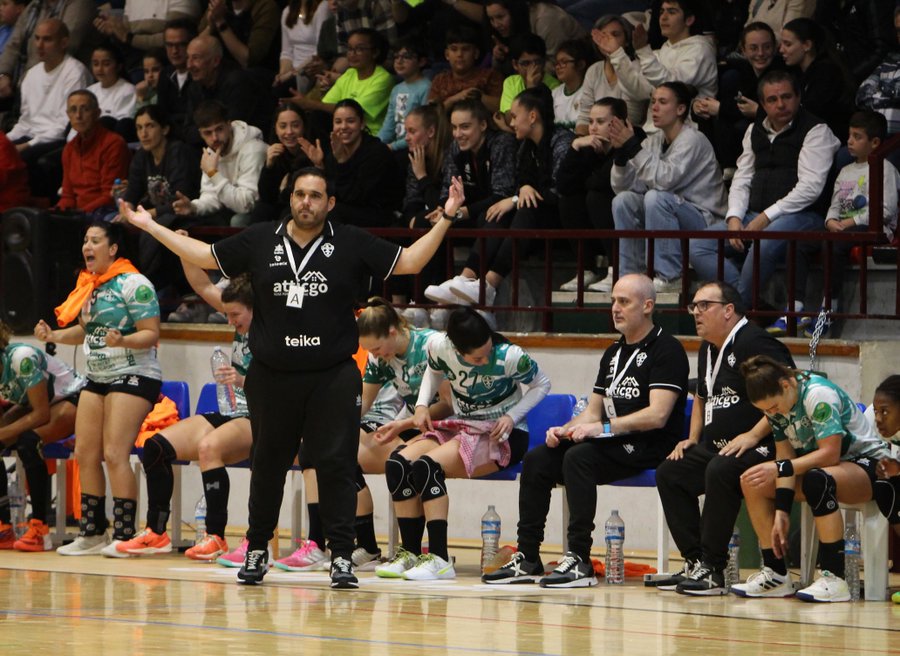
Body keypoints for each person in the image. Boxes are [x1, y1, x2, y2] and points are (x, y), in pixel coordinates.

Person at [120, 165, 466, 589]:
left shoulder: (351, 241)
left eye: (315, 195)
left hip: (332, 376)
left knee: (336, 465)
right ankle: (258, 548)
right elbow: (205, 256)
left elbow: (410, 261)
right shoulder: (261, 237)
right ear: (291, 198)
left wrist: (447, 216)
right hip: (273, 375)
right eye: (300, 193)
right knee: (267, 465)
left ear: (330, 203)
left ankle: (341, 555)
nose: (306, 201)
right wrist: (151, 226)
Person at [484, 274, 688, 587]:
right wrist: (564, 430)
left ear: (648, 306)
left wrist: (600, 429)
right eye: (613, 302)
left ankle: (579, 558)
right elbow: (593, 411)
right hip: (613, 441)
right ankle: (527, 557)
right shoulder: (613, 353)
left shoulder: (667, 349)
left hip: (650, 445)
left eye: (624, 302)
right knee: (540, 458)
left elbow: (657, 416)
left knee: (580, 457)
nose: (615, 309)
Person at [381, 307, 550, 580]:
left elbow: (542, 384)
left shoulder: (511, 356)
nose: (484, 360)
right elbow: (434, 372)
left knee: (427, 466)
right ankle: (409, 553)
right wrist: (422, 404)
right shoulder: (438, 346)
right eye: (476, 357)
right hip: (464, 425)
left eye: (487, 351)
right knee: (398, 464)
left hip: (503, 433)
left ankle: (439, 558)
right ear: (457, 350)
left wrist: (512, 415)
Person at [289, 297, 452, 573]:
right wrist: (326, 422)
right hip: (410, 425)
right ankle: (363, 546)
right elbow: (361, 403)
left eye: (377, 348)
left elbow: (448, 405)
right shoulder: (380, 358)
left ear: (392, 331)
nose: (375, 354)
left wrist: (402, 424)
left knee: (399, 464)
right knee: (326, 447)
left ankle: (416, 552)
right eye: (369, 351)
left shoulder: (430, 345)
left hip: (442, 424)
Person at [653, 281, 794, 596]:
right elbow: (702, 395)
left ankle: (713, 570)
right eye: (693, 306)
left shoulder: (754, 341)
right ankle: (696, 562)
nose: (696, 313)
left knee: (720, 469)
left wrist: (753, 434)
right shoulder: (708, 348)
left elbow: (786, 391)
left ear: (729, 310)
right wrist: (692, 437)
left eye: (704, 305)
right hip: (718, 446)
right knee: (671, 472)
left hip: (764, 446)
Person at [34, 221, 162, 558]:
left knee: (114, 453)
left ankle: (124, 534)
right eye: (85, 241)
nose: (87, 247)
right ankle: (92, 533)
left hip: (134, 373)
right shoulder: (88, 286)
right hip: (98, 376)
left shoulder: (135, 284)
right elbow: (86, 333)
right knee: (84, 453)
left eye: (95, 241)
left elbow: (151, 333)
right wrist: (54, 336)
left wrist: (124, 340)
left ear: (114, 248)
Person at [113, 267, 254, 560]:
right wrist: (178, 249)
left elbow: (282, 383)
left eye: (235, 315)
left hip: (260, 416)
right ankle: (156, 532)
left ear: (255, 308)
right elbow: (202, 285)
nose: (229, 321)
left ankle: (216, 536)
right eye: (227, 315)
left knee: (209, 448)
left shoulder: (275, 331)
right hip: (232, 411)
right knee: (155, 447)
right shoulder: (239, 322)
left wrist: (242, 381)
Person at [735, 355, 888, 602]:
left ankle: (834, 579)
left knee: (817, 480)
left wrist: (779, 468)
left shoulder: (817, 395)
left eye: (773, 407)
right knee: (752, 481)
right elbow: (786, 458)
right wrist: (782, 511)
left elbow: (830, 454)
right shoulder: (776, 407)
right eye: (765, 411)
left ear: (786, 385)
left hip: (868, 466)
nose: (772, 414)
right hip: (826, 469)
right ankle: (776, 574)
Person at [689, 69, 840, 310]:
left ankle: (738, 311)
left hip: (804, 215)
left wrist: (766, 217)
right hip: (754, 214)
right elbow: (743, 176)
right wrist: (735, 217)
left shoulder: (816, 130)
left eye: (787, 97)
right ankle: (748, 304)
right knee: (700, 244)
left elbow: (811, 188)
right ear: (762, 103)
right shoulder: (754, 130)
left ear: (798, 97)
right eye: (772, 99)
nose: (781, 104)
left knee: (764, 240)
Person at [428, 86, 572, 307]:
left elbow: (559, 191)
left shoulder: (560, 141)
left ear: (532, 117)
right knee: (496, 214)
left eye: (514, 116)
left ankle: (489, 285)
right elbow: (523, 183)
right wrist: (521, 190)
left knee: (522, 209)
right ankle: (467, 279)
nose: (510, 123)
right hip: (532, 215)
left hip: (561, 217)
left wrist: (515, 198)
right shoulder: (526, 146)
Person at [792, 110, 900, 337]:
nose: (849, 141)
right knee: (800, 242)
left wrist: (850, 222)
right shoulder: (845, 170)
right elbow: (835, 204)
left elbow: (886, 210)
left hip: (873, 229)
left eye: (857, 137)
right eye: (849, 135)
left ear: (875, 143)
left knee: (837, 244)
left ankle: (829, 306)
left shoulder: (886, 169)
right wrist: (831, 220)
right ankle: (796, 305)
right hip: (843, 228)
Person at [610, 81, 726, 292]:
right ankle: (630, 276)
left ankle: (671, 277)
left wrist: (632, 147)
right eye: (653, 101)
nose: (654, 107)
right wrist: (621, 154)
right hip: (671, 215)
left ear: (681, 109)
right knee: (623, 201)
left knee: (656, 197)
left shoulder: (693, 139)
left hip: (704, 221)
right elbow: (623, 187)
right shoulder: (653, 141)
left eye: (662, 102)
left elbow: (665, 180)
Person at [0, 322, 85, 551]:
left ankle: (40, 528)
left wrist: (4, 433)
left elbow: (40, 414)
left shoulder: (21, 358)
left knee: (29, 441)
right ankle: (3, 526)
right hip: (42, 403)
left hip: (75, 397)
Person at [601, 0, 717, 135]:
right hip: (653, 133)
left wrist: (643, 50)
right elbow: (638, 91)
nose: (663, 17)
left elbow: (671, 87)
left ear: (689, 19)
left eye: (672, 12)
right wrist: (617, 55)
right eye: (662, 11)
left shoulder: (700, 50)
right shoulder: (659, 53)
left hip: (687, 134)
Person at [117, 104, 200, 292]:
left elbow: (181, 199)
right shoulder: (141, 155)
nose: (143, 133)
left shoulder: (178, 151)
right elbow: (132, 191)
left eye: (150, 126)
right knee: (114, 226)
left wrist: (149, 214)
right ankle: (120, 283)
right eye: (139, 128)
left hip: (185, 215)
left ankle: (143, 284)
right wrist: (126, 208)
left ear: (165, 128)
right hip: (156, 215)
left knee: (150, 230)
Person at [5, 19, 91, 199]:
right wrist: (6, 140)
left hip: (57, 138)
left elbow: (64, 125)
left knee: (27, 159)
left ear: (64, 42)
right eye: (37, 39)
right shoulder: (31, 74)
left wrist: (26, 145)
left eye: (47, 39)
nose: (40, 45)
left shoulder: (75, 72)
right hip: (31, 134)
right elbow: (25, 121)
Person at [557, 97, 629, 293]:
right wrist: (575, 146)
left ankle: (615, 269)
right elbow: (563, 185)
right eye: (590, 122)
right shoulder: (588, 147)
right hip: (598, 228)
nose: (593, 128)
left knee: (596, 197)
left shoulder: (631, 142)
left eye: (600, 122)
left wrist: (587, 180)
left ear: (619, 123)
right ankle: (586, 268)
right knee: (568, 201)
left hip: (629, 227)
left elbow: (603, 183)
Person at [692, 22, 784, 171]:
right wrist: (698, 107)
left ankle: (730, 167)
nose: (760, 53)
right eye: (754, 48)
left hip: (771, 133)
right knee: (710, 118)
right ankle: (715, 168)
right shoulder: (738, 71)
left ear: (774, 48)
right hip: (738, 131)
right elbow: (723, 105)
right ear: (743, 50)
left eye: (766, 47)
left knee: (739, 125)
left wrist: (722, 108)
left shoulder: (782, 73)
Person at [301, 98, 403, 228]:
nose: (343, 127)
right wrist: (319, 166)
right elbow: (331, 191)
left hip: (380, 214)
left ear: (362, 123)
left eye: (350, 121)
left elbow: (354, 197)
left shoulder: (377, 152)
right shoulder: (335, 151)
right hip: (347, 209)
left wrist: (342, 162)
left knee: (333, 213)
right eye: (338, 122)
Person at [172, 99, 267, 228]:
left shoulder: (252, 149)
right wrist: (193, 207)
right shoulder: (211, 153)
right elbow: (211, 197)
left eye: (219, 129)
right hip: (233, 208)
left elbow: (246, 205)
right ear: (201, 134)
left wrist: (213, 173)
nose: (215, 138)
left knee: (237, 221)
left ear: (229, 125)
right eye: (208, 133)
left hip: (261, 211)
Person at [289, 28, 395, 135]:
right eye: (349, 49)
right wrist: (306, 102)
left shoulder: (383, 79)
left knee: (317, 116)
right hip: (343, 133)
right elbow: (327, 104)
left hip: (367, 135)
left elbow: (353, 113)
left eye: (359, 49)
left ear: (375, 52)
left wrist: (310, 103)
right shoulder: (349, 74)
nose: (352, 54)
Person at [56, 89, 131, 215]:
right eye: (73, 110)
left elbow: (110, 196)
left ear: (97, 113)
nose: (78, 116)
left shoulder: (113, 144)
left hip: (105, 212)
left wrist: (77, 215)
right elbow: (67, 196)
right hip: (78, 214)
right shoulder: (69, 149)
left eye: (85, 109)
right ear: (68, 115)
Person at [778, 18, 854, 141]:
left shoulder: (827, 73)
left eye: (788, 44)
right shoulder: (796, 73)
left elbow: (813, 113)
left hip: (828, 138)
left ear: (807, 45)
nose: (781, 50)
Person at [577, 14, 647, 132]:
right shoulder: (594, 70)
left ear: (627, 41)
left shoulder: (638, 67)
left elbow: (632, 118)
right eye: (603, 35)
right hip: (596, 138)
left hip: (627, 138)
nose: (608, 40)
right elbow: (584, 117)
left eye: (615, 35)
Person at [252, 101, 314, 224]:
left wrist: (318, 164)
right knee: (261, 210)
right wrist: (269, 165)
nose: (289, 131)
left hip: (304, 207)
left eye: (295, 125)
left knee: (288, 213)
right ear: (276, 129)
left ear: (304, 127)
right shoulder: (276, 153)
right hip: (280, 207)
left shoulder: (314, 152)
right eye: (283, 126)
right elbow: (266, 197)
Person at [427, 26, 503, 113]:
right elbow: (430, 116)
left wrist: (480, 97)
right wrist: (454, 100)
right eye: (454, 49)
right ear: (447, 54)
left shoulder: (491, 76)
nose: (459, 54)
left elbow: (502, 108)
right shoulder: (440, 80)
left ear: (476, 53)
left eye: (465, 49)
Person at [377, 38, 431, 154]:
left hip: (417, 148)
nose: (399, 61)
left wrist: (392, 147)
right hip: (397, 146)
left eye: (406, 57)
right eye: (396, 57)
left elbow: (424, 128)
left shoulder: (426, 87)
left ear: (421, 61)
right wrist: (376, 144)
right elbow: (389, 124)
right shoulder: (397, 89)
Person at [197, 0, 281, 72]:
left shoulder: (265, 6)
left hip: (255, 74)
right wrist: (211, 26)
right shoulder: (219, 5)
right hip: (221, 70)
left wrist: (220, 21)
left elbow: (248, 60)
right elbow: (197, 48)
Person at [855, 7, 900, 137]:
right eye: (898, 30)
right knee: (840, 156)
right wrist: (892, 98)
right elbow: (862, 95)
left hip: (896, 143)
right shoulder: (890, 60)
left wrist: (881, 92)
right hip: (875, 139)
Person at [273, 0, 332, 96]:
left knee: (282, 90)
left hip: (312, 68)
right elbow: (286, 52)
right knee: (275, 86)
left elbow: (320, 51)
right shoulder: (287, 12)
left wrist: (292, 74)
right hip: (293, 71)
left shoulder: (322, 7)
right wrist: (282, 75)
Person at [86, 42, 136, 141]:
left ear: (118, 66)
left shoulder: (127, 90)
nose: (99, 69)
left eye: (106, 64)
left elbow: (122, 125)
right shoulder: (89, 91)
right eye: (96, 64)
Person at [550, 39, 591, 131]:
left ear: (581, 64)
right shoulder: (554, 94)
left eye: (564, 62)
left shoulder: (590, 91)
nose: (558, 67)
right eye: (556, 63)